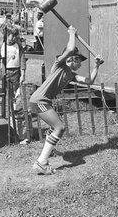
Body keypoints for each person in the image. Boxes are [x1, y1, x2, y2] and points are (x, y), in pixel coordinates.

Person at [29, 26, 103, 175]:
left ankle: (47, 153)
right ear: (72, 59)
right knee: (59, 128)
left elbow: (89, 81)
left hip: (43, 101)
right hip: (39, 101)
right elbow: (69, 50)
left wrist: (96, 66)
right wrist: (71, 34)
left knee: (54, 128)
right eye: (79, 60)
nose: (81, 64)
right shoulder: (59, 65)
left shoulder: (71, 75)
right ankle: (41, 162)